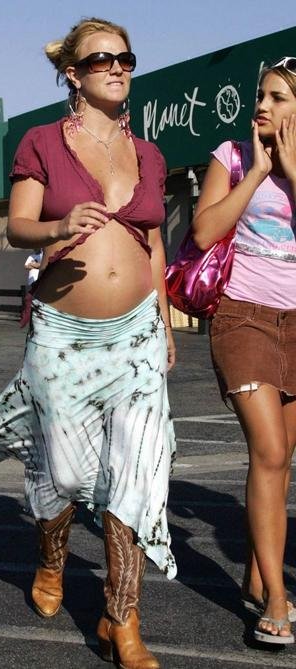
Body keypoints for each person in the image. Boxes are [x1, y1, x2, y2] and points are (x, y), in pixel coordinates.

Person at [0, 17, 176, 667]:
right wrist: (58, 226)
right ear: (73, 73)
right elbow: (18, 224)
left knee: (136, 476)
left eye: (126, 58)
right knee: (65, 474)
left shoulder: (150, 153)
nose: (118, 68)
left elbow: (154, 243)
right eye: (102, 59)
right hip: (64, 334)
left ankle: (122, 618)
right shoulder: (42, 142)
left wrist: (161, 316)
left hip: (135, 334)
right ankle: (52, 556)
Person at [192, 57, 296, 645]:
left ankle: (258, 575)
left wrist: (291, 169)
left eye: (278, 97)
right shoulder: (231, 156)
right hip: (243, 317)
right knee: (270, 450)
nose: (262, 105)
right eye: (261, 94)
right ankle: (277, 600)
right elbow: (204, 232)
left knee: (280, 462)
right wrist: (257, 173)